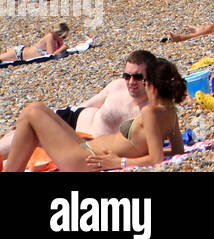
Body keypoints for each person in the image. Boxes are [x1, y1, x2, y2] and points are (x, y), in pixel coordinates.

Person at [3, 56, 186, 172]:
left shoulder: (150, 112)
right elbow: (177, 151)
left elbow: (156, 158)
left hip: (84, 160)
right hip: (86, 148)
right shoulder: (171, 112)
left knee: (31, 112)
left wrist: (118, 162)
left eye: (143, 81)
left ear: (152, 86)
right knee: (38, 109)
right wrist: (134, 157)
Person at [1, 23, 69, 64]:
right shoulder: (50, 37)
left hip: (21, 54)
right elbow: (51, 54)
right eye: (63, 37)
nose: (63, 40)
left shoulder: (56, 40)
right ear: (57, 34)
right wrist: (63, 47)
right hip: (19, 53)